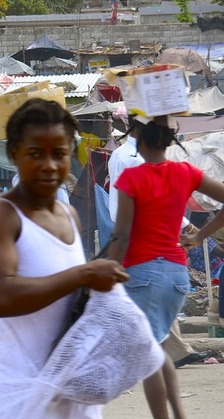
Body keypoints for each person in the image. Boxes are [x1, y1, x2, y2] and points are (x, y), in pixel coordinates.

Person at [0, 99, 131, 417]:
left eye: (59, 154)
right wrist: (83, 276)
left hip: (66, 382)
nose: (49, 165)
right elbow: (2, 298)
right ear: (14, 154)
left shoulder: (67, 214)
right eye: (35, 154)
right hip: (13, 384)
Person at [111, 116, 224, 419]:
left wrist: (109, 270)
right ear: (168, 140)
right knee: (156, 349)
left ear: (141, 140)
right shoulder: (185, 172)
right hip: (176, 275)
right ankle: (178, 415)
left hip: (143, 274)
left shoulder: (131, 179)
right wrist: (200, 235)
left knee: (148, 356)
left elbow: (121, 234)